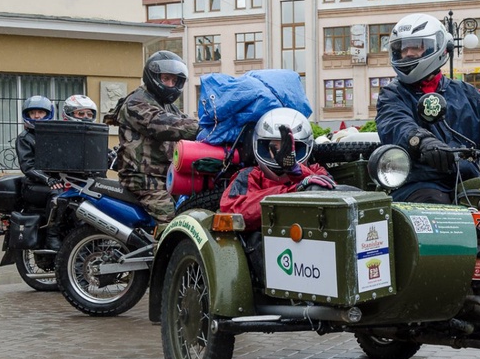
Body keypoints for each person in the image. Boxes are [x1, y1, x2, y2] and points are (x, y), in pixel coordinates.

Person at [375, 13, 480, 204]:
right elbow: (397, 125)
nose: (408, 53)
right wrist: (422, 142)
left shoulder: (465, 93)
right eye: (403, 48)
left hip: (468, 179)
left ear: (437, 47)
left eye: (416, 46)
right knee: (437, 210)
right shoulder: (393, 95)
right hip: (420, 182)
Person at [116, 51, 199, 223]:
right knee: (172, 222)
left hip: (167, 177)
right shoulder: (136, 102)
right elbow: (164, 125)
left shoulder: (168, 106)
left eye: (174, 80)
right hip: (143, 178)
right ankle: (163, 249)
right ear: (153, 77)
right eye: (166, 78)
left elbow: (183, 121)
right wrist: (204, 127)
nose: (170, 84)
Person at [219, 108, 335, 230]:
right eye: (274, 147)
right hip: (264, 240)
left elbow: (334, 197)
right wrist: (294, 191)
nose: (280, 153)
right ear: (262, 146)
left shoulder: (316, 171)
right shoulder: (250, 175)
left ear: (301, 148)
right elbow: (234, 208)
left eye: (288, 147)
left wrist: (296, 170)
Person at [15, 95, 64, 249]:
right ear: (27, 115)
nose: (36, 116)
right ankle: (52, 236)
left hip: (54, 181)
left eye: (40, 112)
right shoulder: (25, 138)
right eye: (32, 113)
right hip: (34, 185)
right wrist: (47, 179)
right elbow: (28, 166)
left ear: (48, 113)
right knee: (58, 195)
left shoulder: (54, 136)